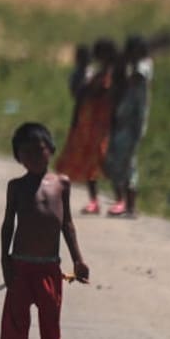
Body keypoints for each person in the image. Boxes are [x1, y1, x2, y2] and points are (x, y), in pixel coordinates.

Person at [0, 123, 90, 339]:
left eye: (39, 150)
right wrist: (5, 260)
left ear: (50, 150)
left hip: (50, 267)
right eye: (26, 152)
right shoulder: (16, 187)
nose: (34, 157)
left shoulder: (62, 184)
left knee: (51, 325)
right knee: (15, 324)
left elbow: (67, 224)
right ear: (18, 156)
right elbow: (7, 225)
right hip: (21, 266)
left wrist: (78, 260)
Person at [55, 37, 117, 214]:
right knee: (90, 162)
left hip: (103, 123)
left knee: (105, 159)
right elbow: (79, 94)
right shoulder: (83, 75)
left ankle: (120, 198)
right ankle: (95, 200)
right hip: (87, 122)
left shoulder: (112, 73)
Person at [103, 36, 152, 217]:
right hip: (123, 123)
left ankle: (130, 206)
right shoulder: (135, 69)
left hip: (132, 127)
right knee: (116, 163)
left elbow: (139, 76)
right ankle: (124, 203)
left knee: (128, 165)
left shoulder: (142, 69)